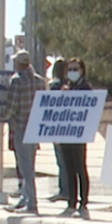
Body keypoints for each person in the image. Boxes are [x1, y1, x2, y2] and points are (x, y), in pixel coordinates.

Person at [0, 50, 45, 215]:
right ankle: (25, 198)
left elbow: (11, 107)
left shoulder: (16, 81)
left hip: (21, 128)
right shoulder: (39, 81)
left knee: (25, 168)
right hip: (35, 129)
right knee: (30, 164)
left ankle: (31, 203)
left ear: (18, 63)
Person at [56, 58, 93, 219]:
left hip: (79, 134)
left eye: (75, 69)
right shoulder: (65, 87)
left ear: (82, 70)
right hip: (66, 134)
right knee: (69, 169)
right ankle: (71, 203)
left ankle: (83, 204)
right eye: (70, 69)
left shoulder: (85, 88)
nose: (72, 72)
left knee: (80, 168)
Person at [46, 59, 69, 203]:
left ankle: (64, 190)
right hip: (70, 126)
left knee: (62, 161)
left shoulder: (54, 86)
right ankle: (68, 190)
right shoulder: (70, 86)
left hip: (58, 127)